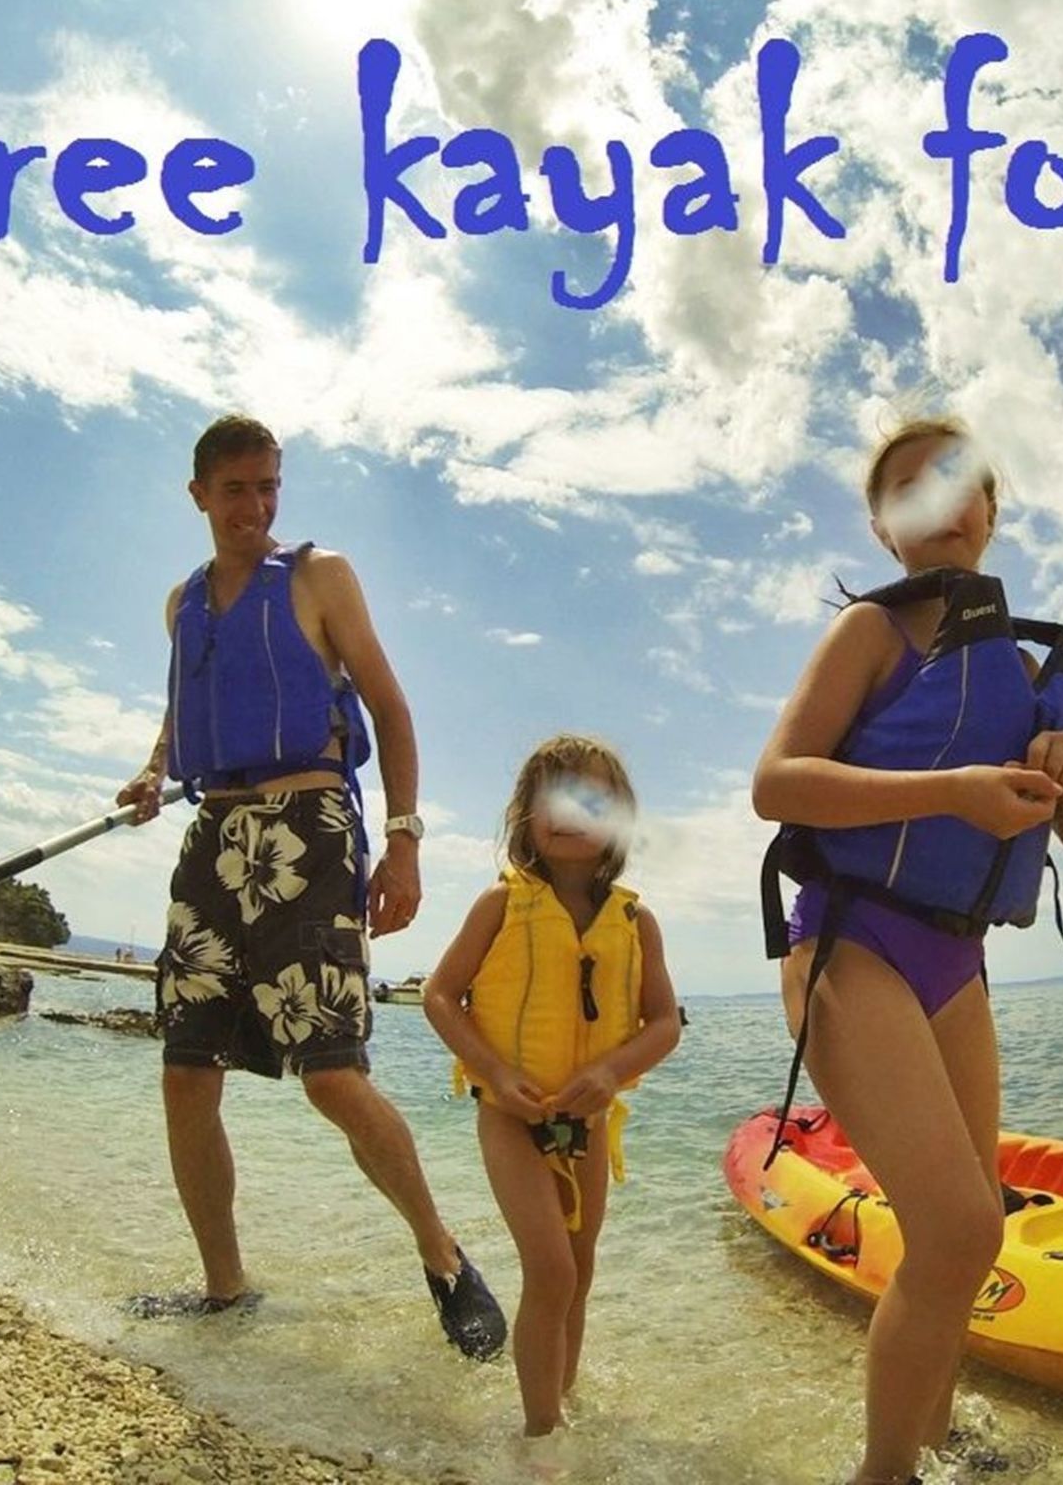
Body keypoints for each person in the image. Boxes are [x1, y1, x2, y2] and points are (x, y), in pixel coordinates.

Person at [751, 418, 1063, 1485]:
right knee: (957, 1231)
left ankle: (939, 1441)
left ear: (991, 513)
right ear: (880, 528)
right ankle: (883, 1474)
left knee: (966, 1236)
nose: (937, 502)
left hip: (957, 969)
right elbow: (776, 784)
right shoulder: (870, 634)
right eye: (907, 489)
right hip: (851, 947)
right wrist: (950, 792)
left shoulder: (1024, 665)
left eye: (958, 484)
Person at [115, 413, 506, 1358]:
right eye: (237, 488)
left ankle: (444, 1255)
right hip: (214, 834)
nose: (255, 505)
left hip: (310, 830)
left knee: (331, 1075)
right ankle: (224, 1288)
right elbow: (185, 713)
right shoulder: (183, 605)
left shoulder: (322, 578)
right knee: (183, 1071)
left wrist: (404, 842)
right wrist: (151, 769)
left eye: (269, 486)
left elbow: (390, 706)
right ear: (199, 494)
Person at [422, 735, 681, 1441]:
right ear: (525, 818)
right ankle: (540, 1435)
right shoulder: (500, 906)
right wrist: (498, 1077)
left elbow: (663, 1023)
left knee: (582, 1267)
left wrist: (608, 1073)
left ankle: (560, 1400)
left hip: (587, 1126)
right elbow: (441, 996)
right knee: (551, 1268)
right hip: (511, 1119)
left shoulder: (636, 921)